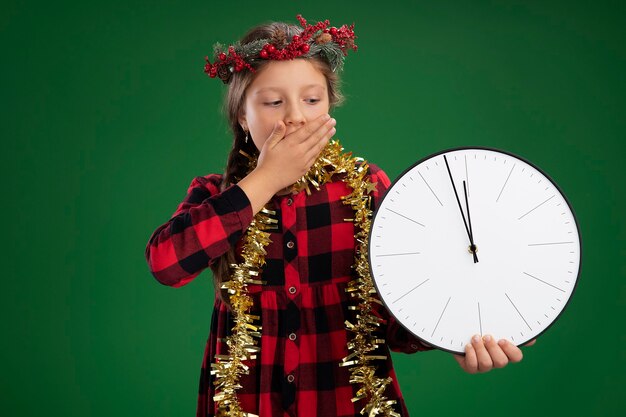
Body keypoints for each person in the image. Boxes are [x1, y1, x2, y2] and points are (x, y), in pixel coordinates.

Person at [144, 15, 535, 417]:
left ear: (330, 105)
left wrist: (456, 337)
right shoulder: (217, 195)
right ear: (243, 116)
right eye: (273, 102)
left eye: (311, 100)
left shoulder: (366, 189)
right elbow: (166, 264)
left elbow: (395, 311)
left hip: (351, 402)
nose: (295, 117)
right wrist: (266, 179)